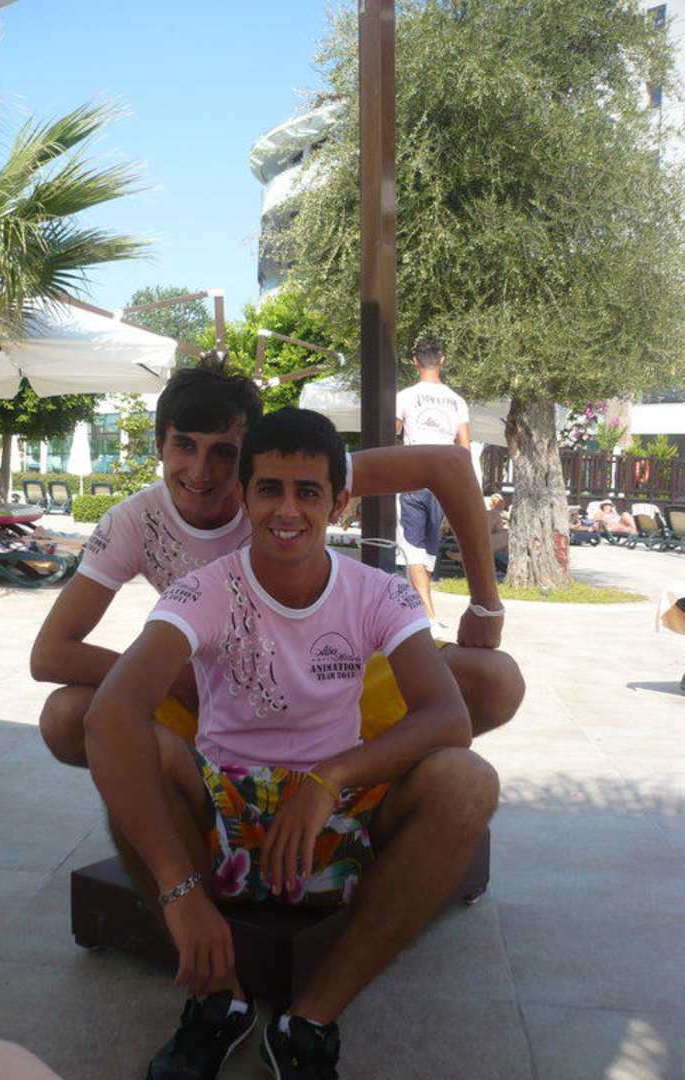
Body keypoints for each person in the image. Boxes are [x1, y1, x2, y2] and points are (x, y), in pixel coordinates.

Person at [85, 407, 500, 1080]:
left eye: (308, 491)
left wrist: (329, 779)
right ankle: (218, 1002)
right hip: (224, 804)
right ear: (243, 497)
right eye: (269, 489)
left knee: (468, 780)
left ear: (338, 503)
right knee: (140, 750)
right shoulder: (204, 591)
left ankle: (308, 1020)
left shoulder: (378, 593)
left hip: (337, 813)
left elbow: (447, 718)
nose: (286, 510)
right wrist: (177, 890)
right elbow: (110, 716)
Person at [31, 360, 523, 769]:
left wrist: (487, 605)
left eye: (224, 453)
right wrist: (173, 680)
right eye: (185, 445)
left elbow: (449, 465)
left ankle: (369, 779)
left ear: (251, 458)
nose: (201, 471)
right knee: (67, 717)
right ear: (160, 443)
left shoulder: (284, 479)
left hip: (333, 683)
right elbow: (50, 653)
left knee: (495, 681)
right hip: (213, 692)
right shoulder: (134, 522)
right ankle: (196, 792)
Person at [395, 337, 471, 631]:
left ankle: (425, 616)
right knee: (427, 550)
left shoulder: (405, 397)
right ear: (442, 360)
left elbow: (390, 432)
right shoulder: (457, 401)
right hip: (444, 482)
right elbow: (464, 447)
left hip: (413, 477)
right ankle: (426, 614)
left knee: (414, 549)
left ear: (415, 362)